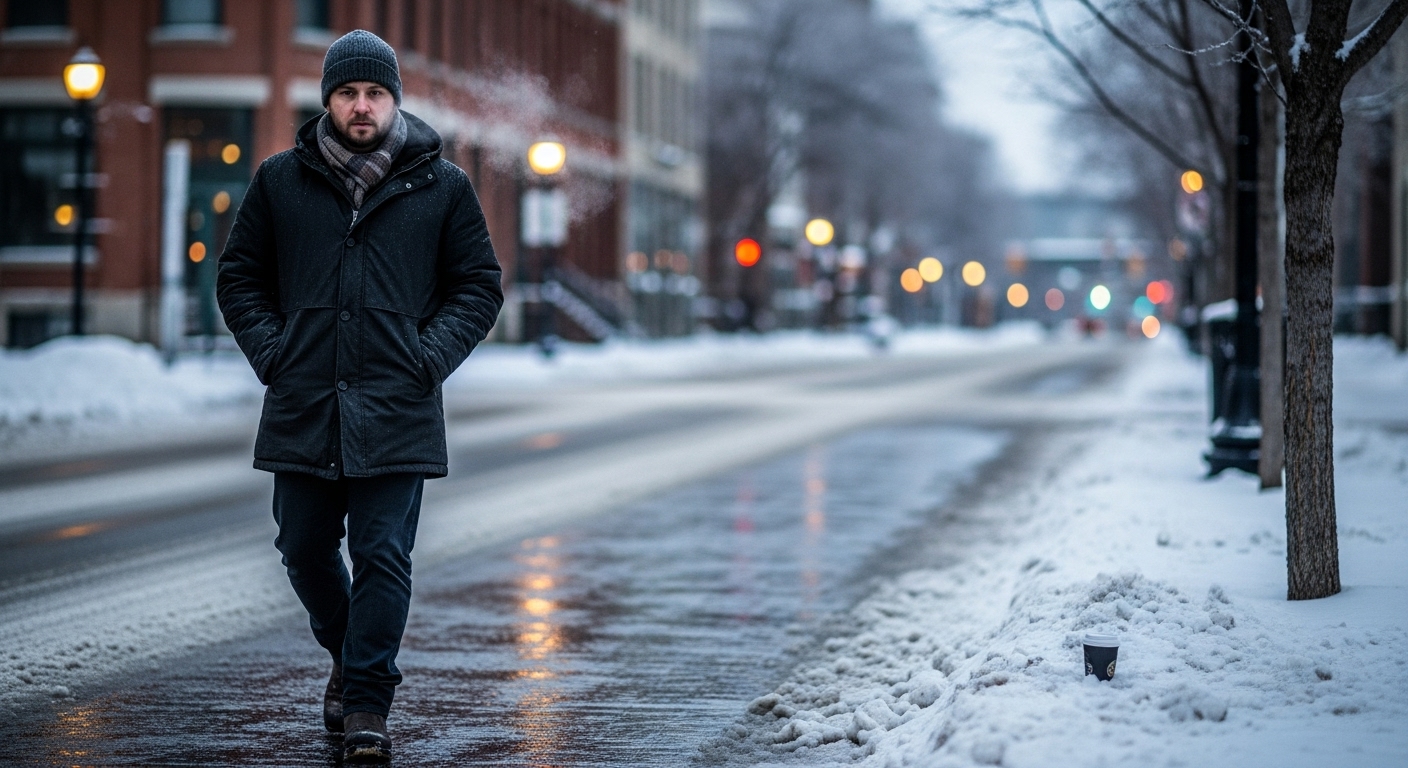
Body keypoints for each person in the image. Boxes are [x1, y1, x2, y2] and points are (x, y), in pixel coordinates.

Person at [216, 29, 502, 764]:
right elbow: (238, 275)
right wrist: (275, 354)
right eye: (348, 93)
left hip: (397, 405)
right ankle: (350, 655)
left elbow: (478, 286)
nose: (362, 105)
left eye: (375, 92)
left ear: (394, 99)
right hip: (305, 402)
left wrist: (428, 356)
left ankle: (368, 702)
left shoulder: (444, 186)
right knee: (303, 548)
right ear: (328, 102)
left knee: (383, 555)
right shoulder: (281, 180)